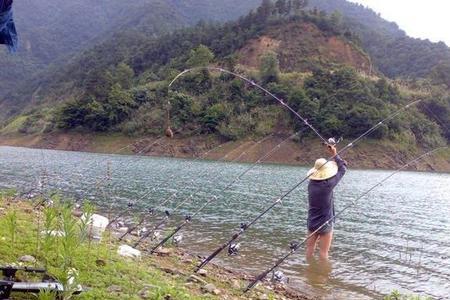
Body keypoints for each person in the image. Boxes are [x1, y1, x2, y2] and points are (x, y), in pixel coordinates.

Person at [305, 144, 347, 261]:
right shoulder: (328, 185)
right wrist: (334, 153)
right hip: (325, 223)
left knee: (309, 248)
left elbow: (341, 168)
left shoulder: (311, 185)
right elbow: (343, 169)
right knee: (323, 253)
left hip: (312, 221)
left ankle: (309, 271)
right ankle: (322, 277)